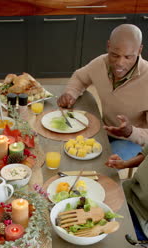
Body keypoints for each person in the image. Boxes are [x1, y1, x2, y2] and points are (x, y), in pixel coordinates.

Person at [58, 24, 148, 161]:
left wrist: (131, 132)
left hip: (132, 141)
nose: (120, 63)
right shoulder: (101, 62)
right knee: (64, 147)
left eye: (128, 57)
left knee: (102, 164)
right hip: (104, 129)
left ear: (140, 50)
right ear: (108, 45)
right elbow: (79, 77)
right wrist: (70, 93)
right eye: (114, 55)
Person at [106, 150, 148, 240]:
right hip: (129, 190)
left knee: (110, 239)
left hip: (143, 222)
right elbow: (146, 152)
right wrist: (125, 164)